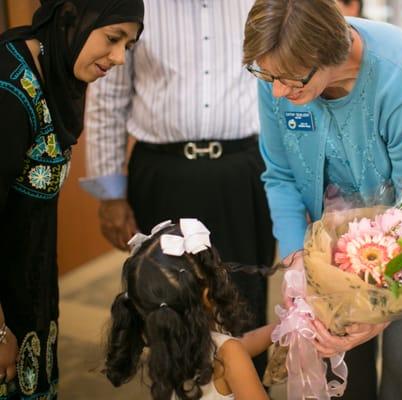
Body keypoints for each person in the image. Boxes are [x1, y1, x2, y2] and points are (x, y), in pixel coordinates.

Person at [242, 0, 402, 399]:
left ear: (327, 56)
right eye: (268, 76)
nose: (278, 92)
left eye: (292, 82)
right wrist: (297, 261)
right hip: (338, 232)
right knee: (343, 368)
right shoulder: (279, 69)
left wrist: (381, 310)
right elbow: (281, 175)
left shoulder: (399, 75)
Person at [80, 0, 275, 375]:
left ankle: (247, 388)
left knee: (244, 299)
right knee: (166, 302)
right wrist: (111, 195)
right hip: (162, 172)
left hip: (242, 171)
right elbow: (109, 98)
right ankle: (175, 386)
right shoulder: (136, 6)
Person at [0, 0, 144, 398]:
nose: (118, 58)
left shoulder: (54, 75)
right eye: (113, 38)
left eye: (128, 47)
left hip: (33, 292)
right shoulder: (9, 92)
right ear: (70, 19)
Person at [104, 219, 274, 400]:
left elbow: (238, 345)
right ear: (207, 296)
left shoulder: (168, 346)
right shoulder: (229, 354)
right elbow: (233, 351)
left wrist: (278, 330)